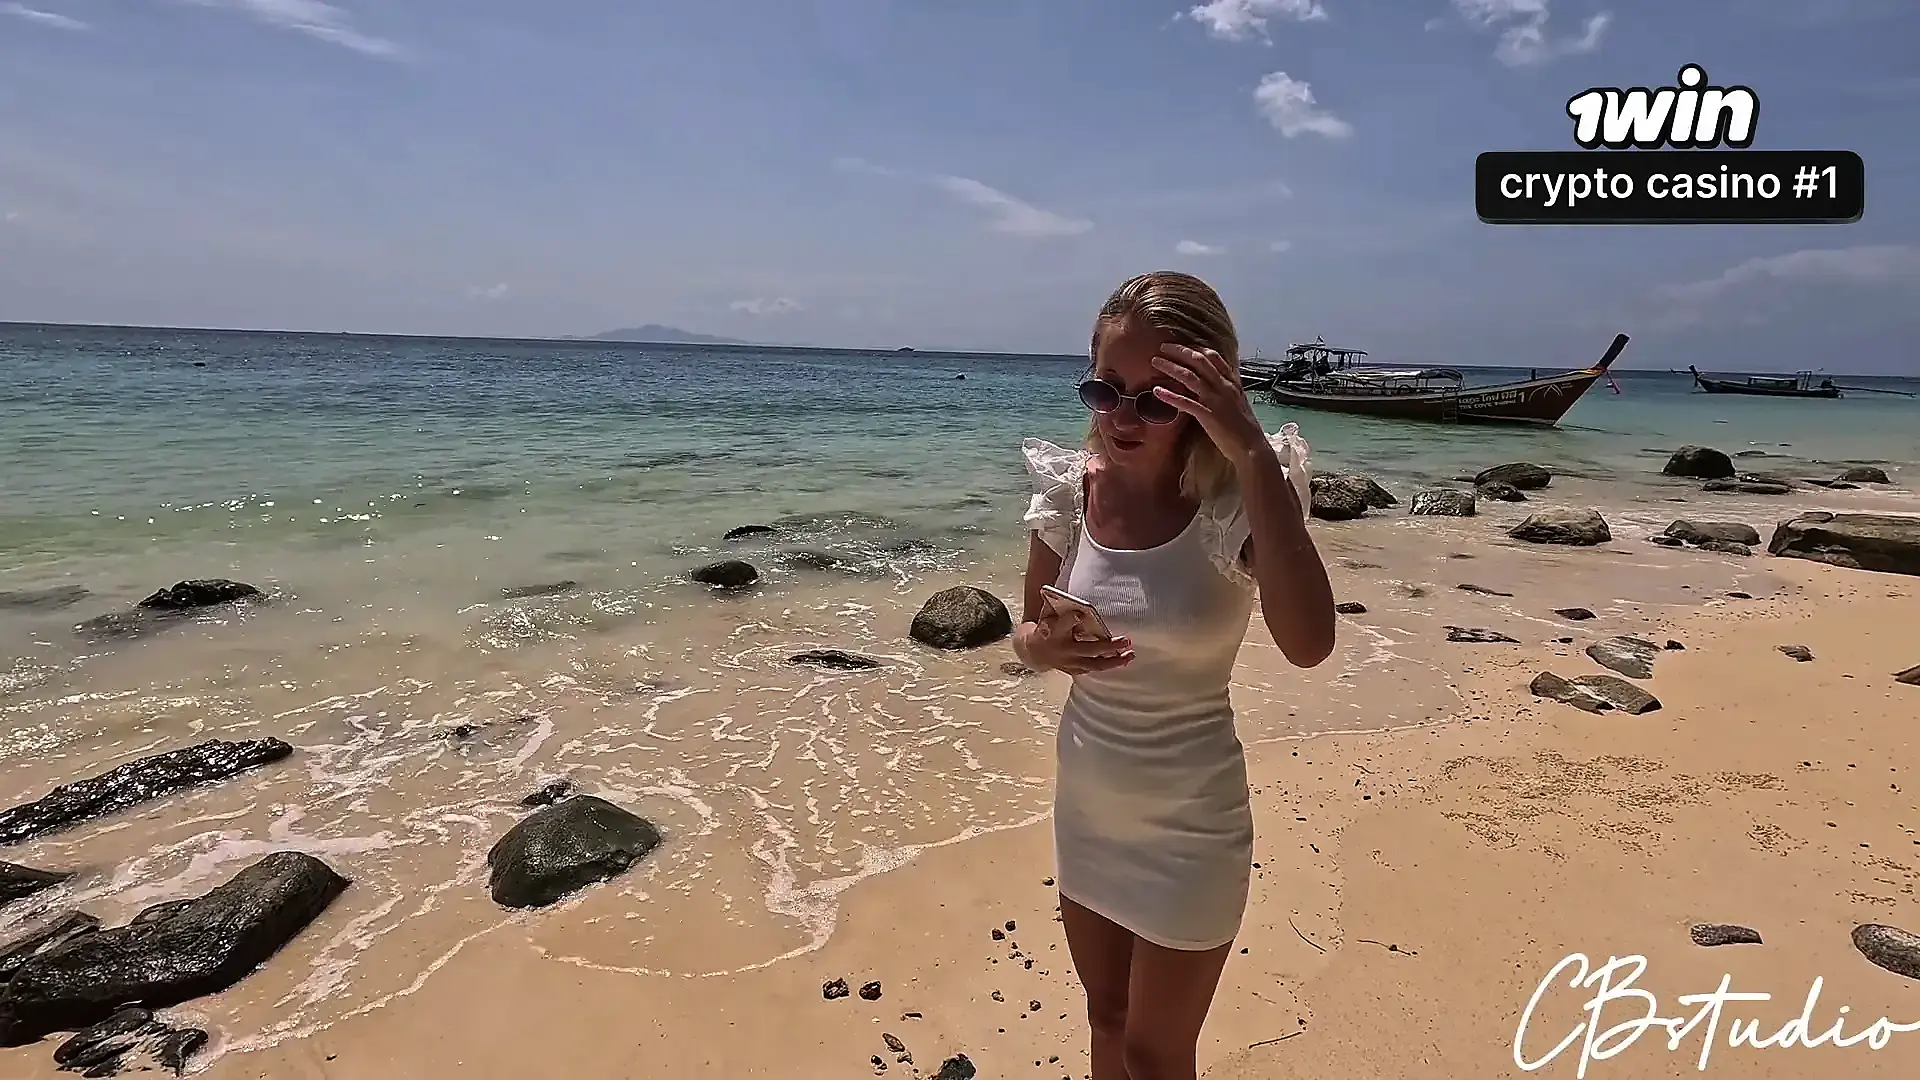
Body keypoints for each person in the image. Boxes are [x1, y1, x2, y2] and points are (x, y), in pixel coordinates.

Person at [1011, 271, 1337, 1080]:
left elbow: (1309, 643)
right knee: (1106, 1017)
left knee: (1156, 1053)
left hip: (1193, 826)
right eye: (1104, 391)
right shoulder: (1069, 494)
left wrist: (1251, 451)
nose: (1121, 419)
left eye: (1154, 400)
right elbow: (1026, 633)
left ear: (1206, 394)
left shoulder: (1237, 501)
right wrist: (1045, 652)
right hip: (1089, 805)